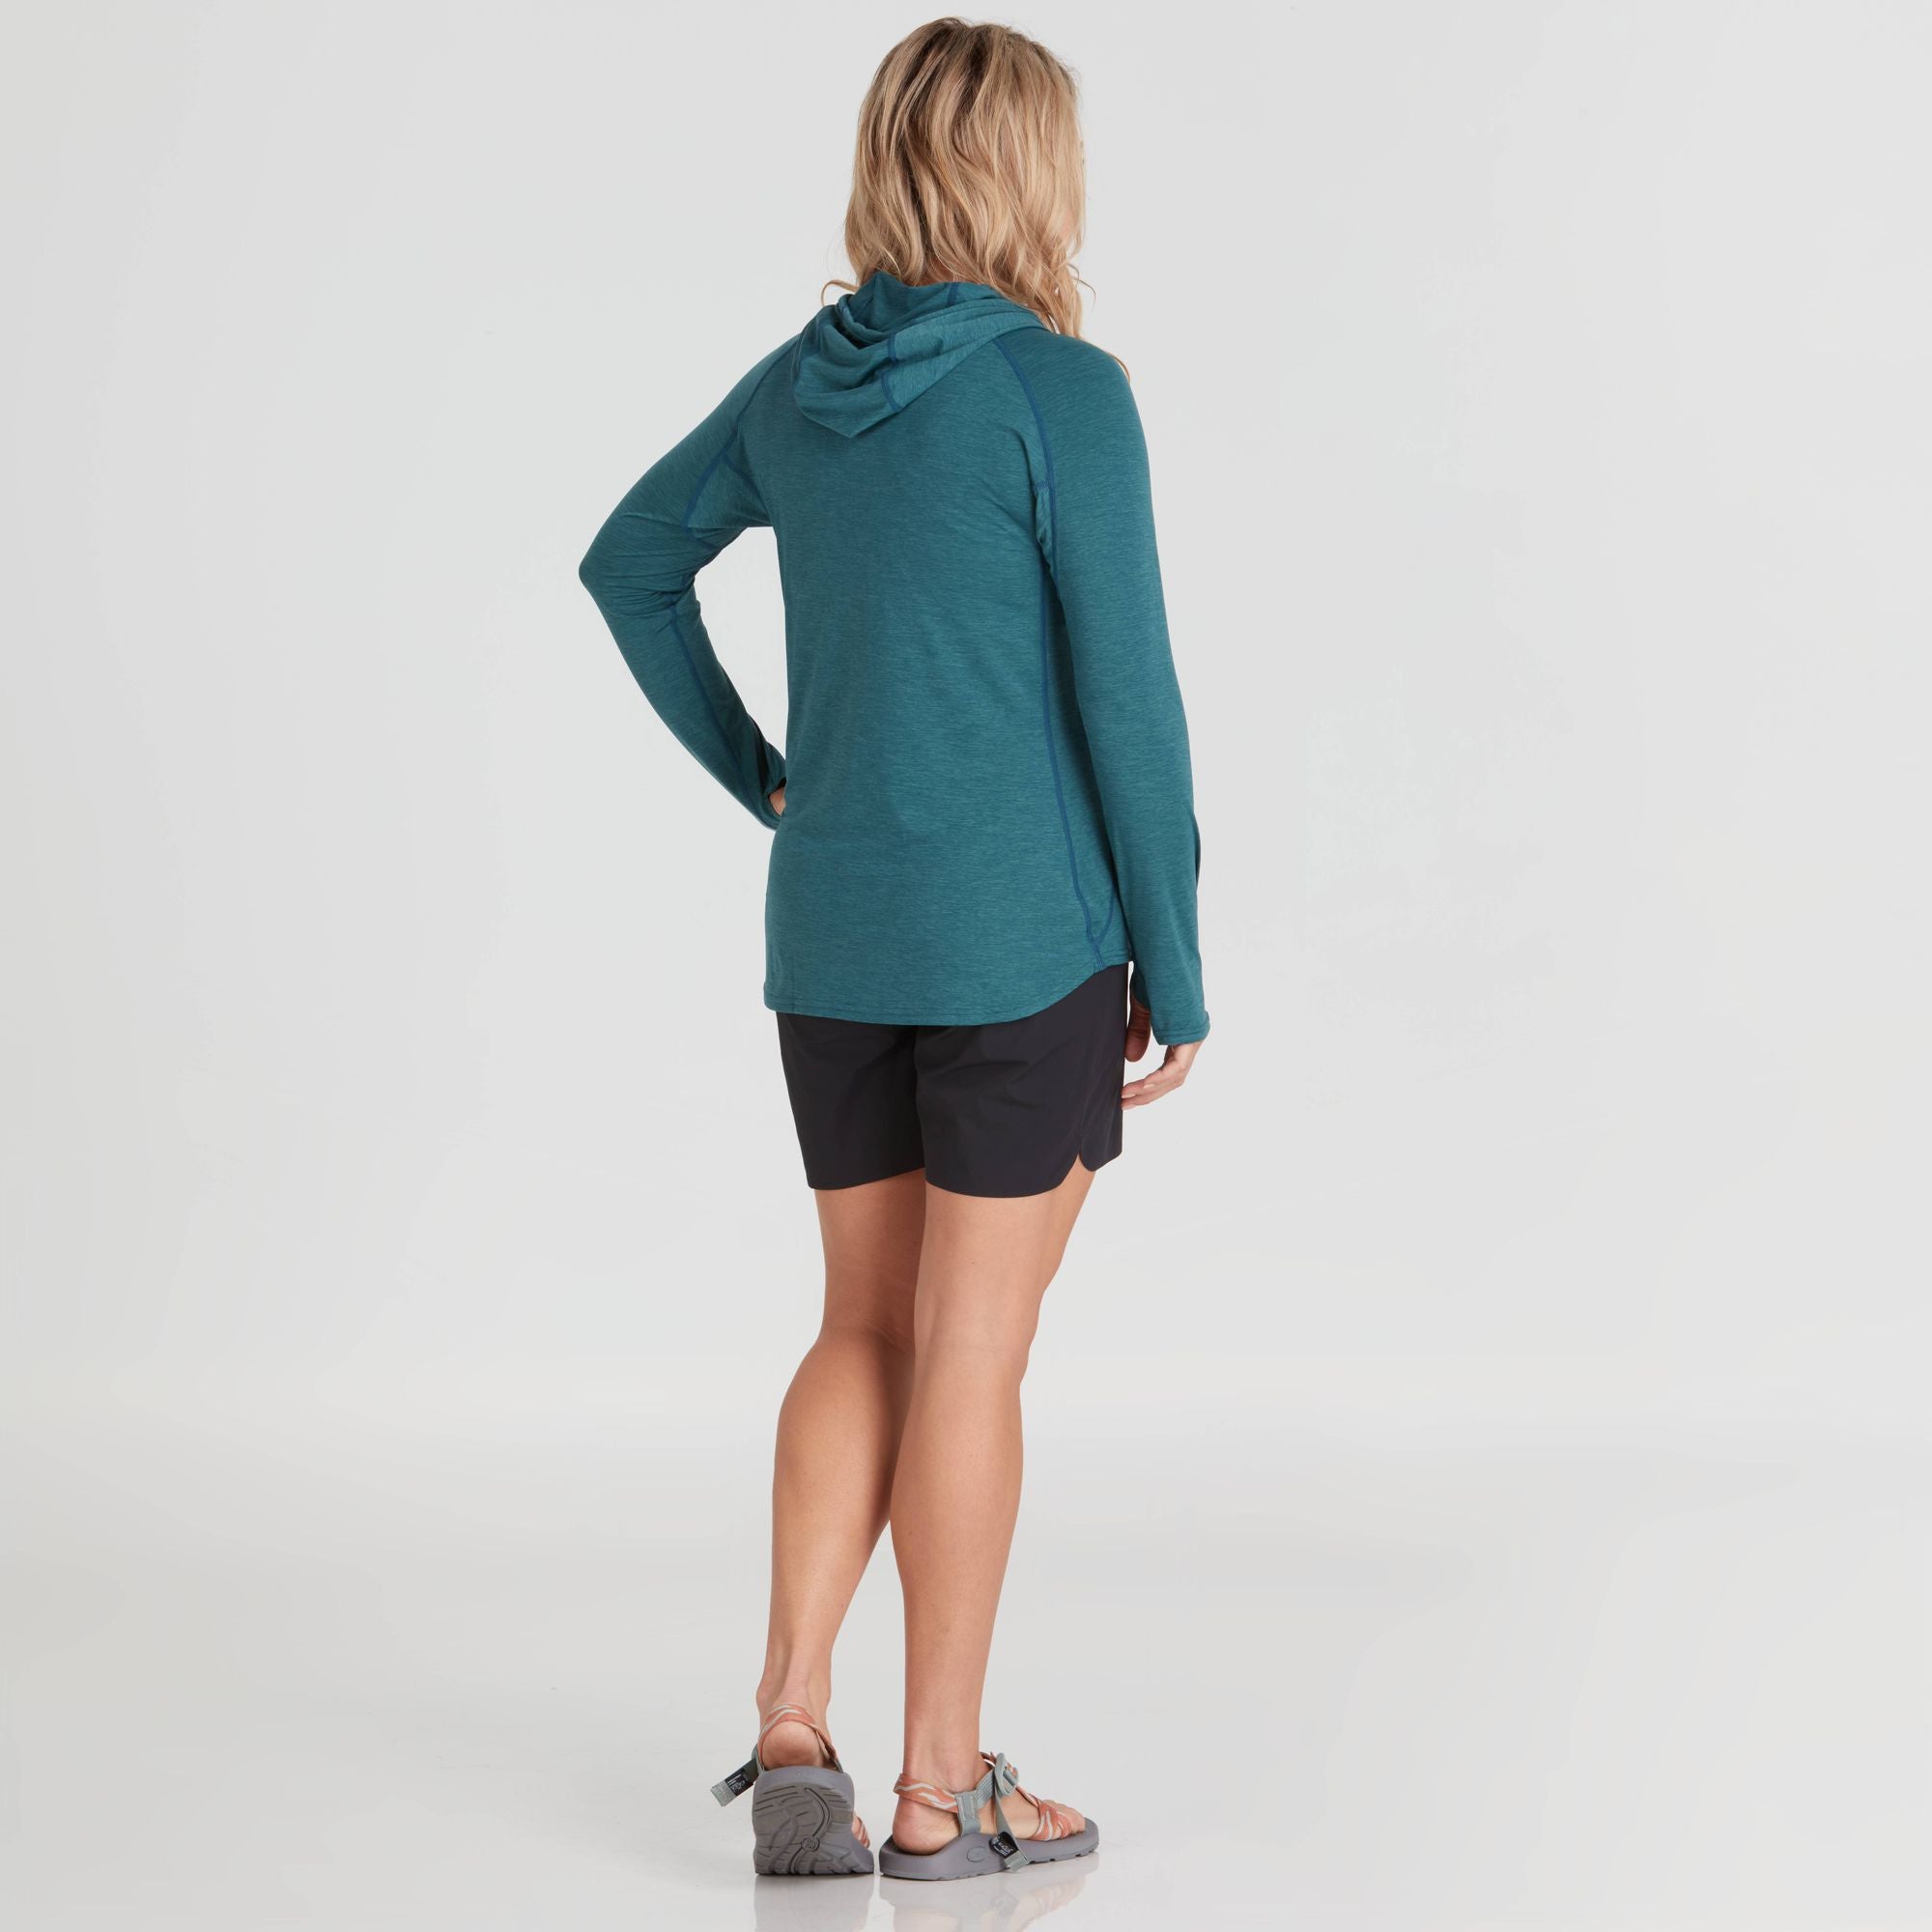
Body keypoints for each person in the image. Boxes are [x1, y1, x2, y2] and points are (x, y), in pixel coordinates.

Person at [578, 16, 1208, 1883]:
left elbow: (630, 563)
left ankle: (793, 1715)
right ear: (1035, 172)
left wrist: (772, 779)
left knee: (863, 1318)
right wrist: (1176, 964)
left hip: (836, 935)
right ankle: (940, 1796)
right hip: (1022, 947)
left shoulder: (799, 389)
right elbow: (1133, 704)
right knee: (971, 1352)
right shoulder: (1060, 394)